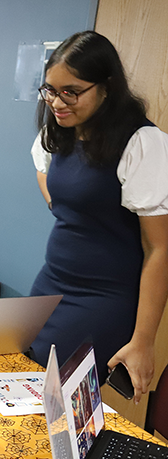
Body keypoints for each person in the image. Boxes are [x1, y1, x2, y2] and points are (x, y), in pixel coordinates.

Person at [29, 31, 168, 404]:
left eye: (71, 92)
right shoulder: (61, 129)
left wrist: (143, 341)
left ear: (106, 87)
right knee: (25, 386)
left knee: (59, 403)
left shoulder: (141, 143)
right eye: (50, 90)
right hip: (52, 283)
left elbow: (159, 249)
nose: (57, 102)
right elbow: (43, 170)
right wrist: (63, 207)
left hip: (102, 299)